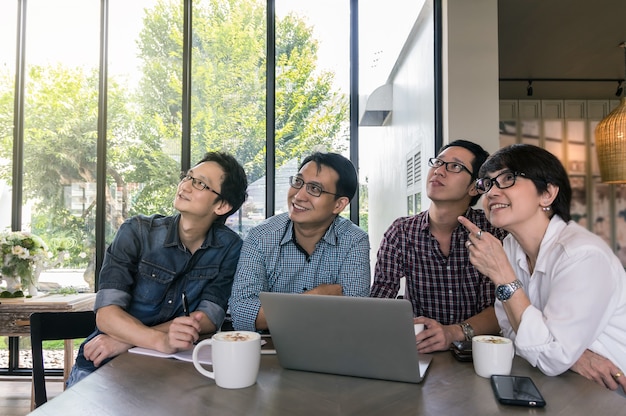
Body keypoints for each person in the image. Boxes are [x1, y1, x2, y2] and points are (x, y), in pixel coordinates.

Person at [66, 151, 248, 386]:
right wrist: (158, 340)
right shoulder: (136, 232)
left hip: (171, 369)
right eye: (188, 177)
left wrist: (129, 340)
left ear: (222, 205)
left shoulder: (229, 248)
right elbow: (107, 316)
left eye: (200, 184)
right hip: (103, 362)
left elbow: (208, 318)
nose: (186, 186)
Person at [459, 143, 626, 395]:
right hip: (560, 385)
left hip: (609, 395)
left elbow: (548, 355)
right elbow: (510, 333)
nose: (491, 192)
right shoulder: (510, 247)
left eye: (507, 178)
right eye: (488, 184)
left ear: (547, 194)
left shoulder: (582, 255)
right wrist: (574, 358)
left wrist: (503, 275)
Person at [370, 139, 507, 353]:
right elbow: (379, 302)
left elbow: (502, 308)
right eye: (437, 163)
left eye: (455, 167)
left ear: (474, 187)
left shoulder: (492, 232)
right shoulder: (401, 232)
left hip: (479, 352)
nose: (439, 171)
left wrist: (453, 332)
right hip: (419, 350)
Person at [230, 152, 370, 331]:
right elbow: (241, 314)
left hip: (332, 349)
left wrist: (273, 313)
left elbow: (354, 317)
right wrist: (312, 299)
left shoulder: (354, 241)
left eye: (314, 189)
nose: (298, 196)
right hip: (271, 348)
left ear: (339, 205)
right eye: (298, 182)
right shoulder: (261, 236)